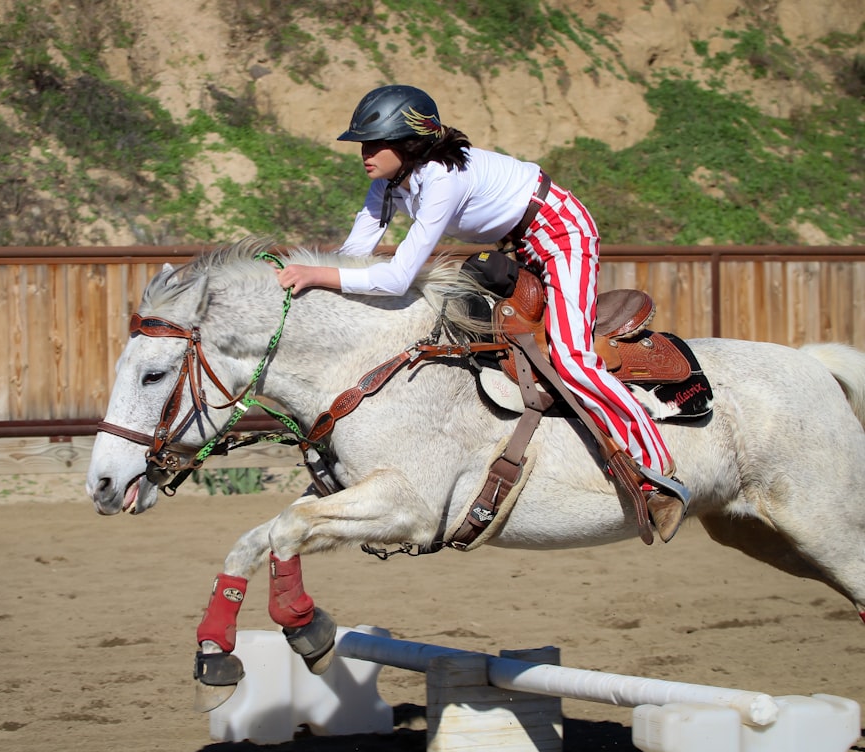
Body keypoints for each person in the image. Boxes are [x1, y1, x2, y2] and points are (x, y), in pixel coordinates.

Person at [275, 84, 690, 542]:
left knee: (572, 358)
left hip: (561, 233)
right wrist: (319, 281)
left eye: (375, 143)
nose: (365, 153)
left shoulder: (441, 178)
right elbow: (353, 256)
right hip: (517, 245)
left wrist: (315, 276)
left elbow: (394, 278)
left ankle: (659, 474)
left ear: (409, 143)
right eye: (363, 144)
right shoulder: (388, 183)